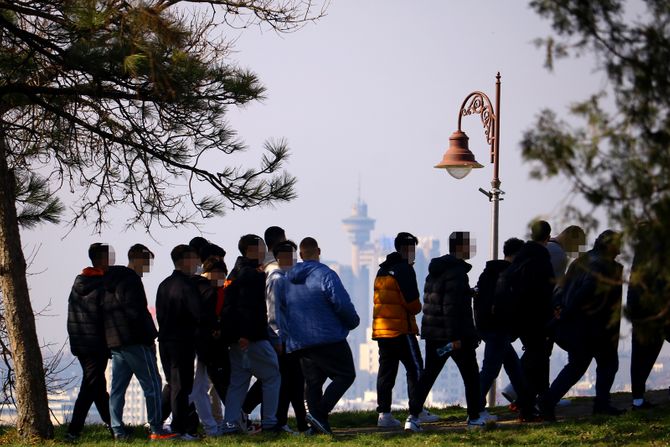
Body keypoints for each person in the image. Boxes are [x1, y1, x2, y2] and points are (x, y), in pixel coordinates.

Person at [405, 232, 487, 432]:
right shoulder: (457, 273)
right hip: (454, 338)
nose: (472, 249)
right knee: (471, 376)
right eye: (469, 245)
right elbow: (451, 307)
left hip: (435, 336)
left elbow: (440, 298)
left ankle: (413, 417)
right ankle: (474, 417)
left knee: (428, 375)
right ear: (460, 248)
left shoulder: (436, 271)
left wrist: (468, 293)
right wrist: (456, 339)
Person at [540, 230, 625, 420]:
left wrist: (560, 308)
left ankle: (549, 401)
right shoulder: (603, 266)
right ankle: (601, 404)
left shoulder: (581, 262)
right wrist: (567, 310)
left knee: (577, 366)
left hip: (577, 326)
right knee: (607, 364)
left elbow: (561, 288)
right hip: (594, 326)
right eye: (618, 245)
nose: (620, 250)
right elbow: (587, 292)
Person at [280, 237, 360, 435]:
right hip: (328, 337)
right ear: (319, 251)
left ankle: (318, 428)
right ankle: (319, 414)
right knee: (346, 375)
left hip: (300, 341)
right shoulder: (325, 274)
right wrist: (352, 322)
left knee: (313, 383)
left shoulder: (287, 278)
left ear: (300, 255)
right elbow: (341, 303)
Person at [103, 244, 176, 441]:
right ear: (137, 259)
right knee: (152, 383)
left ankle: (117, 430)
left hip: (116, 341)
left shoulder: (109, 281)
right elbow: (137, 312)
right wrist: (150, 337)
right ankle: (156, 428)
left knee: (118, 388)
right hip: (135, 340)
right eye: (147, 261)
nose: (148, 266)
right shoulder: (131, 280)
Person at [221, 234, 281, 434]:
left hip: (235, 339)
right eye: (262, 247)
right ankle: (270, 422)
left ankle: (229, 424)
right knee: (272, 375)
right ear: (251, 250)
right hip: (252, 336)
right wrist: (246, 334)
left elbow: (229, 308)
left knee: (238, 382)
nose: (265, 251)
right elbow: (248, 308)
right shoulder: (251, 275)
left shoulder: (233, 274)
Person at [475, 237, 538, 421]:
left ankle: (527, 406)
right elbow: (513, 304)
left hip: (488, 327)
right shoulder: (508, 275)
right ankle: (476, 408)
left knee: (513, 367)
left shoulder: (488, 272)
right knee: (491, 370)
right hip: (499, 328)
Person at [372, 232, 424, 428]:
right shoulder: (404, 270)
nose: (414, 254)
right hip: (402, 330)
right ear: (406, 249)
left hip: (382, 331)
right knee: (416, 370)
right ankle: (416, 412)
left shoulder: (381, 270)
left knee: (386, 373)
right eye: (413, 250)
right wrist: (417, 308)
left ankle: (384, 414)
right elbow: (413, 305)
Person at [503, 220, 555, 401]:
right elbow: (546, 291)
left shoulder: (520, 258)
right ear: (548, 238)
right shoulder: (542, 258)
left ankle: (529, 400)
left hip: (519, 318)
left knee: (532, 357)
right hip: (537, 318)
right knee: (539, 360)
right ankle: (540, 401)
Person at [65, 243, 113, 441]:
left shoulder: (78, 283)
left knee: (98, 387)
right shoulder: (103, 285)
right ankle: (74, 431)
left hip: (80, 344)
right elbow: (108, 316)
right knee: (90, 386)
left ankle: (114, 425)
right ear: (102, 260)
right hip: (97, 344)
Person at [156, 244, 202, 440]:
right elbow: (198, 314)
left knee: (173, 384)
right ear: (184, 261)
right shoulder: (187, 285)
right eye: (194, 259)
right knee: (181, 386)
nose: (197, 263)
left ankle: (158, 421)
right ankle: (179, 429)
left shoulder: (164, 284)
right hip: (181, 342)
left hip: (165, 340)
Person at [626, 225, 670, 410]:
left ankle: (637, 398)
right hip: (658, 310)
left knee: (640, 356)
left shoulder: (640, 256)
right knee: (646, 354)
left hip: (639, 311)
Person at [190, 256, 231, 437]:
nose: (221, 278)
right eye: (219, 273)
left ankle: (212, 426)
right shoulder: (210, 291)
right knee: (200, 387)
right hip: (206, 346)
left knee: (199, 388)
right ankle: (213, 426)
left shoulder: (195, 287)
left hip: (201, 345)